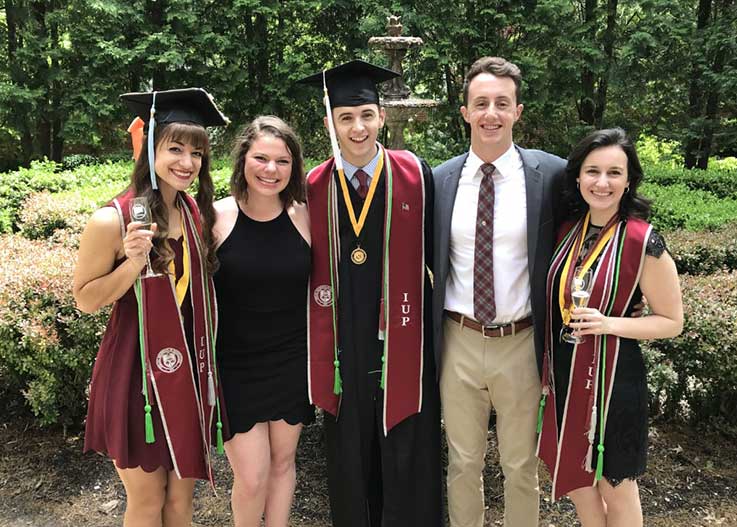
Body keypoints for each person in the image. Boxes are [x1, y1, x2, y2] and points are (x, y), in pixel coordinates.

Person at [73, 88, 228, 527]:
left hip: (188, 371)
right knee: (146, 501)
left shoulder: (196, 212)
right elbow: (85, 299)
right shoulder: (115, 219)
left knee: (181, 504)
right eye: (175, 148)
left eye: (196, 152)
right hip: (135, 375)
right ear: (151, 149)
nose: (186, 162)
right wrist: (132, 262)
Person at [298, 60, 442, 527]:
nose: (357, 127)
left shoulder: (415, 174)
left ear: (381, 116)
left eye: (365, 114)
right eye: (345, 117)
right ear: (329, 122)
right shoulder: (313, 186)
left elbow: (439, 257)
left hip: (402, 337)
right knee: (349, 453)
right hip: (341, 344)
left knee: (408, 448)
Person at [432, 56, 566, 527]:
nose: (492, 113)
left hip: (521, 343)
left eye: (502, 104)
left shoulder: (551, 175)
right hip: (459, 340)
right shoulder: (439, 179)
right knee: (462, 461)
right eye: (481, 103)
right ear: (465, 111)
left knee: (520, 465)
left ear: (517, 111)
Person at [537, 128, 683, 526]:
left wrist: (609, 323)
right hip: (565, 371)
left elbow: (672, 321)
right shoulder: (566, 231)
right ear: (578, 177)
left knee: (615, 488)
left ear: (629, 180)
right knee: (577, 482)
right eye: (593, 171)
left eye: (614, 173)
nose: (602, 183)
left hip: (616, 379)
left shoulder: (643, 240)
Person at [212, 116, 314, 527]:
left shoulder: (306, 217)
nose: (271, 170)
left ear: (294, 167)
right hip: (235, 365)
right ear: (243, 160)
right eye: (261, 158)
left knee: (283, 463)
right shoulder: (215, 218)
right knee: (251, 477)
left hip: (291, 359)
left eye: (282, 161)